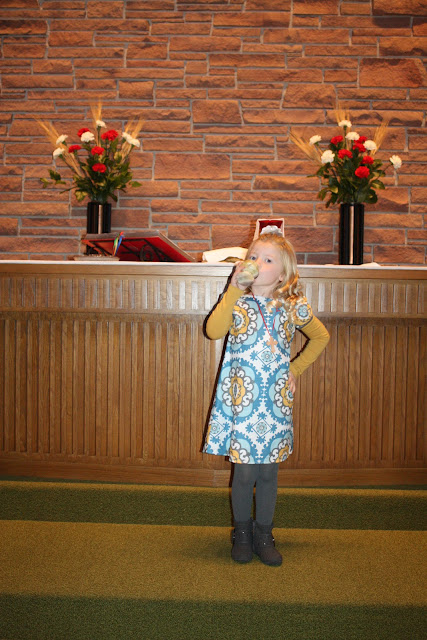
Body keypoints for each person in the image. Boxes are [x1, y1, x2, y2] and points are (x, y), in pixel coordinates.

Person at [203, 229, 330, 566]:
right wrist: (233, 288)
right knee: (245, 474)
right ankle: (242, 533)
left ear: (283, 274)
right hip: (242, 403)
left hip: (274, 403)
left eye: (268, 259)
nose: (258, 263)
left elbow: (320, 337)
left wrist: (295, 369)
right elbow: (213, 330)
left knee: (269, 473)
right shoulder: (237, 301)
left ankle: (264, 534)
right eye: (254, 256)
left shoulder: (292, 305)